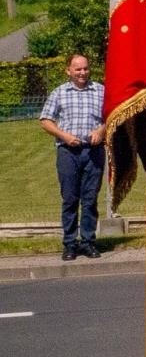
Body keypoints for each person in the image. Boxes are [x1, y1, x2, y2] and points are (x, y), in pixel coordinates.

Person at [39, 54, 106, 261]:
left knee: (90, 199)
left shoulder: (101, 91)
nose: (82, 73)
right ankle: (69, 243)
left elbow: (113, 116)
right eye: (78, 69)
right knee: (69, 199)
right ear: (68, 70)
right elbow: (45, 120)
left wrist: (101, 131)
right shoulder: (59, 93)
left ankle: (88, 242)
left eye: (85, 68)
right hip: (68, 152)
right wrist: (64, 136)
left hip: (93, 151)